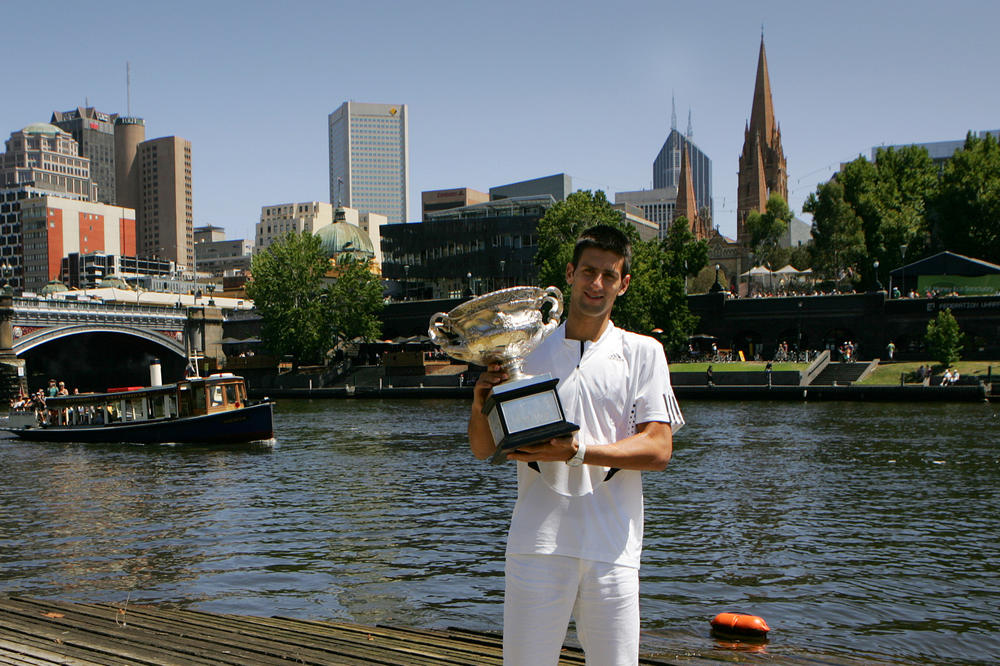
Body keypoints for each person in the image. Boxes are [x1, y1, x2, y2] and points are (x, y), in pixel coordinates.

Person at [468, 225, 684, 665]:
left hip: (614, 548)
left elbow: (659, 449)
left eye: (609, 275)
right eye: (588, 271)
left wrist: (578, 450)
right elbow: (482, 448)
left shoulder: (644, 352)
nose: (596, 284)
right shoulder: (524, 350)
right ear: (569, 274)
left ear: (623, 284)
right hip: (538, 542)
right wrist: (479, 406)